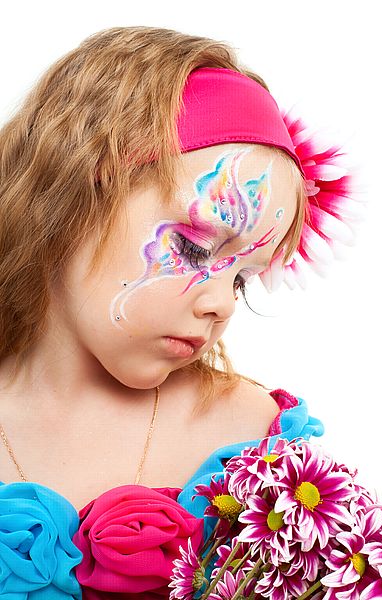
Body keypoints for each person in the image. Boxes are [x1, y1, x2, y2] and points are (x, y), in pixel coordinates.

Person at [0, 26, 360, 599]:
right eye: (194, 246)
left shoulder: (252, 442)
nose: (219, 303)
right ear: (68, 195)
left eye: (242, 279)